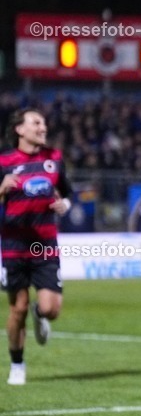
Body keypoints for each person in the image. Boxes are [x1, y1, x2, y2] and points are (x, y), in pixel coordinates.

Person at [1, 108, 72, 386]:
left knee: (52, 308)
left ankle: (39, 313)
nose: (43, 127)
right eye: (36, 123)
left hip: (44, 245)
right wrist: (1, 188)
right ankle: (17, 364)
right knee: (16, 308)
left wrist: (63, 206)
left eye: (43, 122)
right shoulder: (4, 161)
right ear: (20, 129)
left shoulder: (54, 158)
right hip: (13, 245)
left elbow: (67, 194)